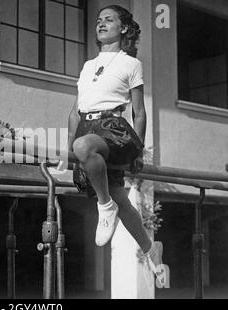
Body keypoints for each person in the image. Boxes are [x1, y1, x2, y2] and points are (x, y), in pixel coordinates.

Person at [67, 5, 164, 279]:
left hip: (114, 129)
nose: (101, 23)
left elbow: (140, 112)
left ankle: (103, 205)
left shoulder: (131, 63)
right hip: (87, 127)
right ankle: (150, 250)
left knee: (85, 148)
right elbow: (76, 111)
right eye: (98, 20)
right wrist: (69, 146)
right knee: (120, 197)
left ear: (122, 28)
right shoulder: (87, 66)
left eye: (108, 20)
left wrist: (140, 151)